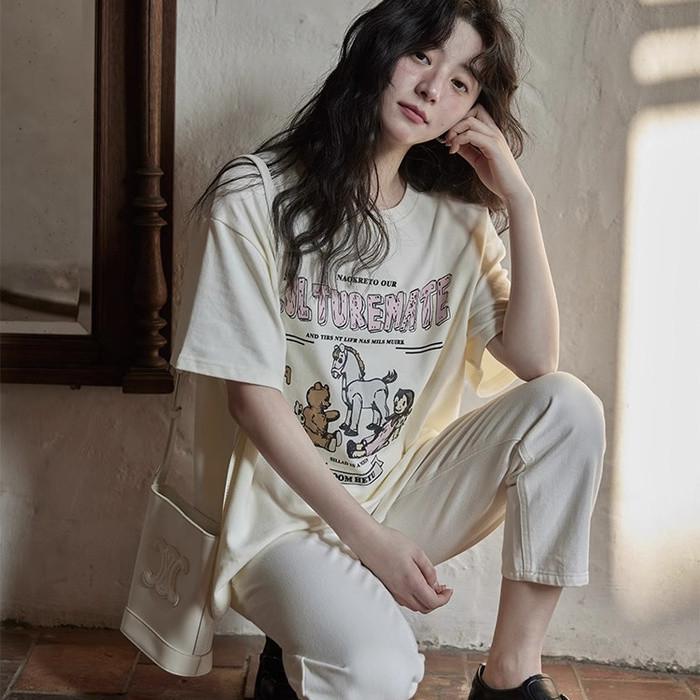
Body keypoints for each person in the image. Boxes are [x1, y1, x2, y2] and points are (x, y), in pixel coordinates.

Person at [170, 0, 606, 698]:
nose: (433, 89)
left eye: (461, 82)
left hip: (397, 493)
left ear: (471, 110)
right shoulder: (256, 197)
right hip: (278, 520)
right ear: (380, 49)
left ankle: (510, 678)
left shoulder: (456, 219)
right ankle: (304, 641)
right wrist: (369, 541)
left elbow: (535, 361)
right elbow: (251, 401)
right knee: (381, 672)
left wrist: (519, 200)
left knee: (569, 409)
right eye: (422, 55)